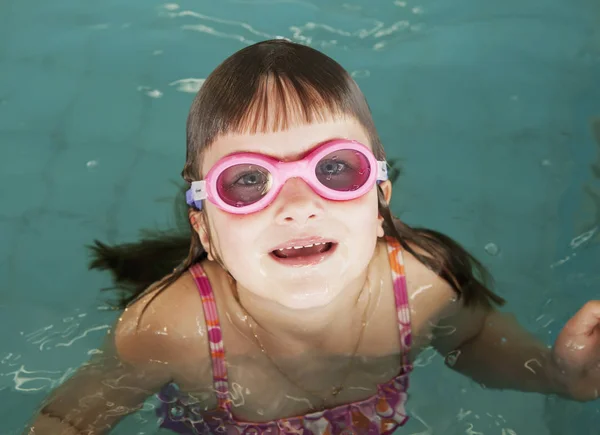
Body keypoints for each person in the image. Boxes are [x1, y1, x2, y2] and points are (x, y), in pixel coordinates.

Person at [25, 39, 600, 435]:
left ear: (380, 201)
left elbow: (472, 345)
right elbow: (70, 418)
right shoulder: (173, 328)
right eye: (248, 181)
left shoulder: (422, 286)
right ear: (205, 225)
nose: (299, 205)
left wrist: (553, 374)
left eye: (334, 169)